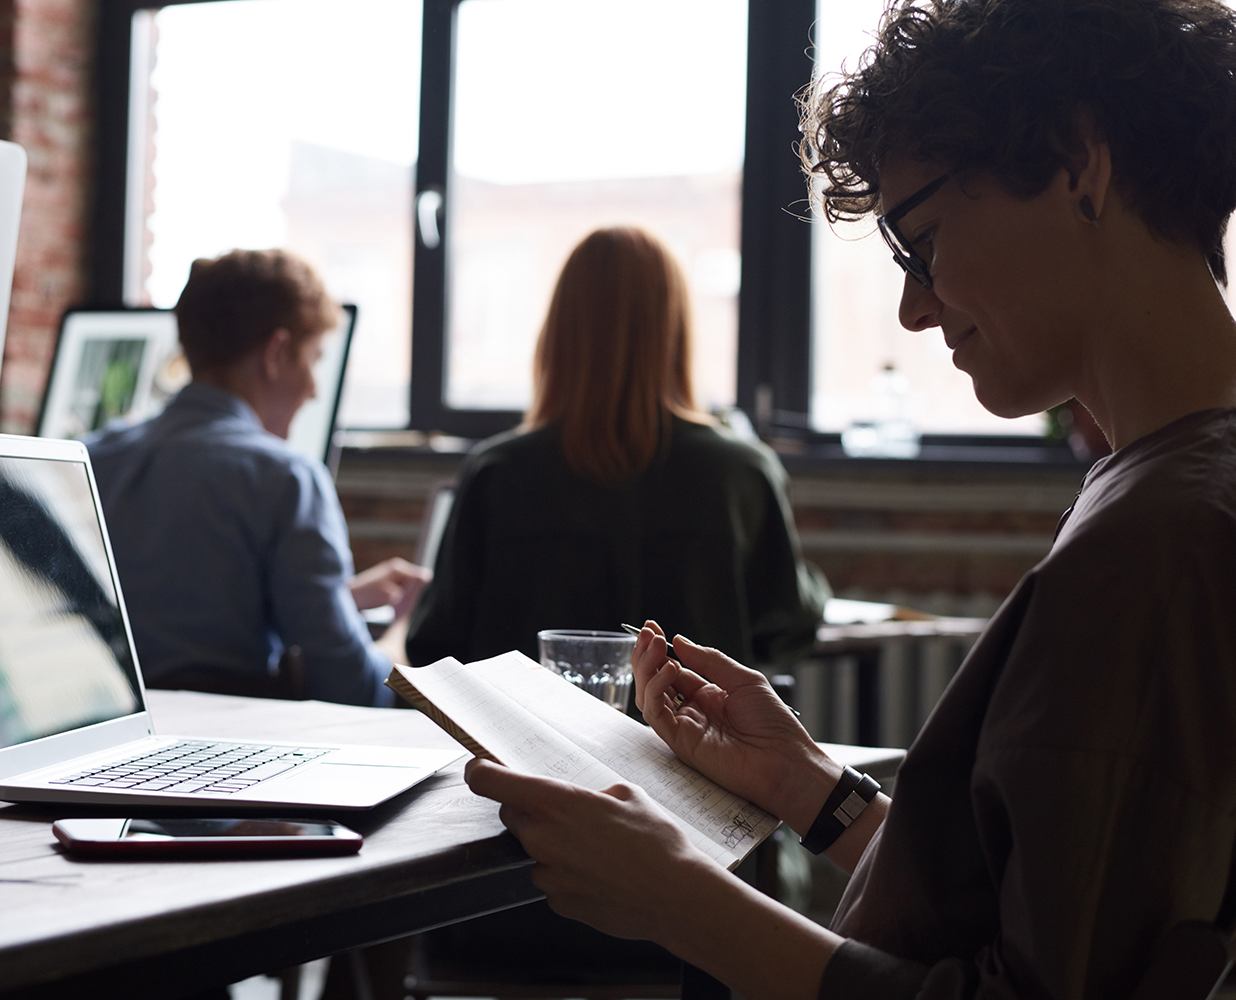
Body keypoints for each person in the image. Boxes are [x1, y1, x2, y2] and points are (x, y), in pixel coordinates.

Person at [463, 1, 1236, 997]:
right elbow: (1036, 908)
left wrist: (681, 901)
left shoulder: (1160, 545)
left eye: (922, 242)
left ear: (1079, 167)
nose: (914, 308)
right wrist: (807, 786)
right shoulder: (1168, 486)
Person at [406, 226, 829, 669]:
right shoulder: (742, 471)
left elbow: (435, 643)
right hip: (688, 717)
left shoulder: (497, 471)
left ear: (559, 331)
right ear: (677, 332)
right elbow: (787, 626)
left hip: (521, 717)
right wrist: (813, 588)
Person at [89, 248, 427, 706]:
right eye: (313, 359)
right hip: (227, 734)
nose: (314, 389)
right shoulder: (286, 479)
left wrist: (339, 600)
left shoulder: (95, 457)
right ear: (276, 353)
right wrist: (401, 633)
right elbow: (352, 688)